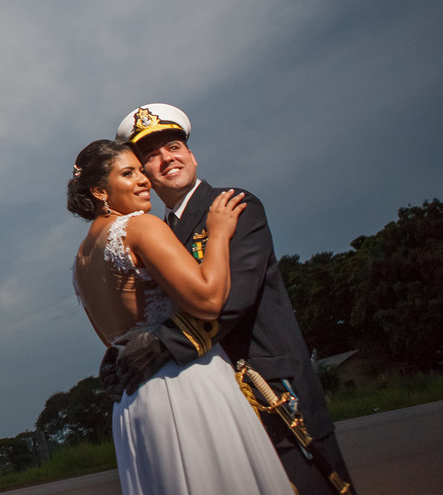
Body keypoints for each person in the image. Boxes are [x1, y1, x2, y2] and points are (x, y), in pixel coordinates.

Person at [104, 103, 355, 495]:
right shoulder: (157, 232)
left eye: (174, 147)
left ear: (192, 156)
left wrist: (160, 344)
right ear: (145, 175)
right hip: (214, 401)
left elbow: (233, 299)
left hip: (270, 387)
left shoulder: (235, 205)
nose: (166, 158)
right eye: (151, 155)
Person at [70, 139, 295, 495]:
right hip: (187, 385)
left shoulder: (81, 260)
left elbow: (115, 342)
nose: (143, 180)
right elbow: (208, 300)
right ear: (100, 191)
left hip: (133, 403)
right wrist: (218, 233)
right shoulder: (140, 227)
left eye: (141, 172)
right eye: (128, 174)